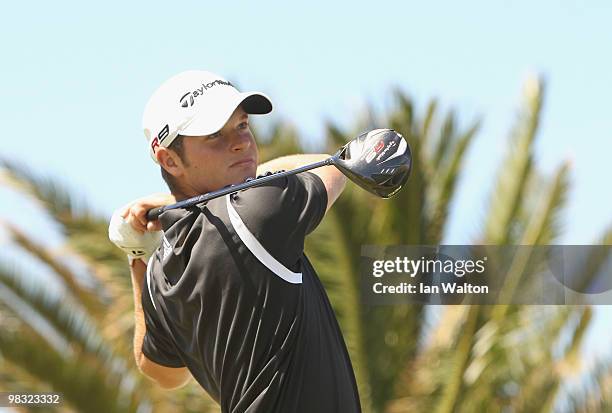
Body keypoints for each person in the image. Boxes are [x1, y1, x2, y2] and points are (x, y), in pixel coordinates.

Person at [111, 70, 361, 412]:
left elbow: (161, 371)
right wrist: (192, 204)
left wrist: (137, 256)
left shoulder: (159, 273)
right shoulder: (254, 211)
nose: (241, 142)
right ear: (169, 159)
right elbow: (335, 168)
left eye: (242, 125)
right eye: (214, 135)